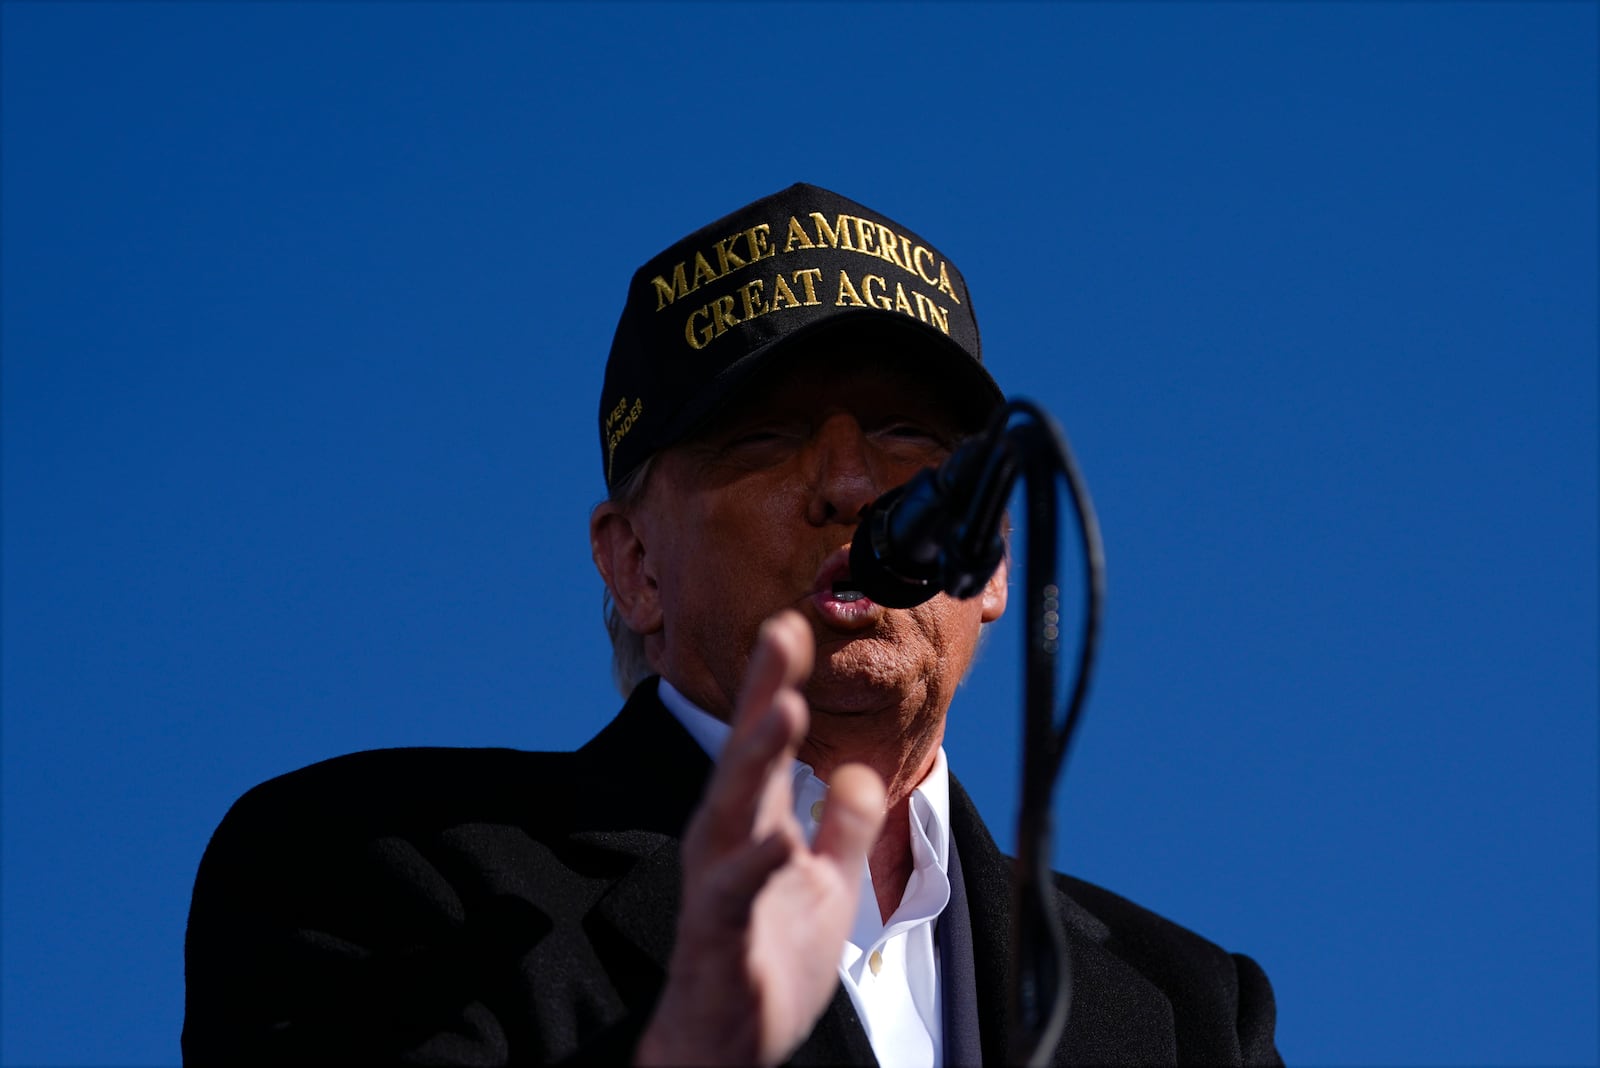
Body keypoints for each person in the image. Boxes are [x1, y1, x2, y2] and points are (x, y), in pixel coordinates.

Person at [183, 183, 1282, 1066]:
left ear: (989, 555)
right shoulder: (367, 867)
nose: (850, 482)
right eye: (763, 438)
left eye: (907, 436)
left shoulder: (1189, 1008)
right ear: (635, 566)